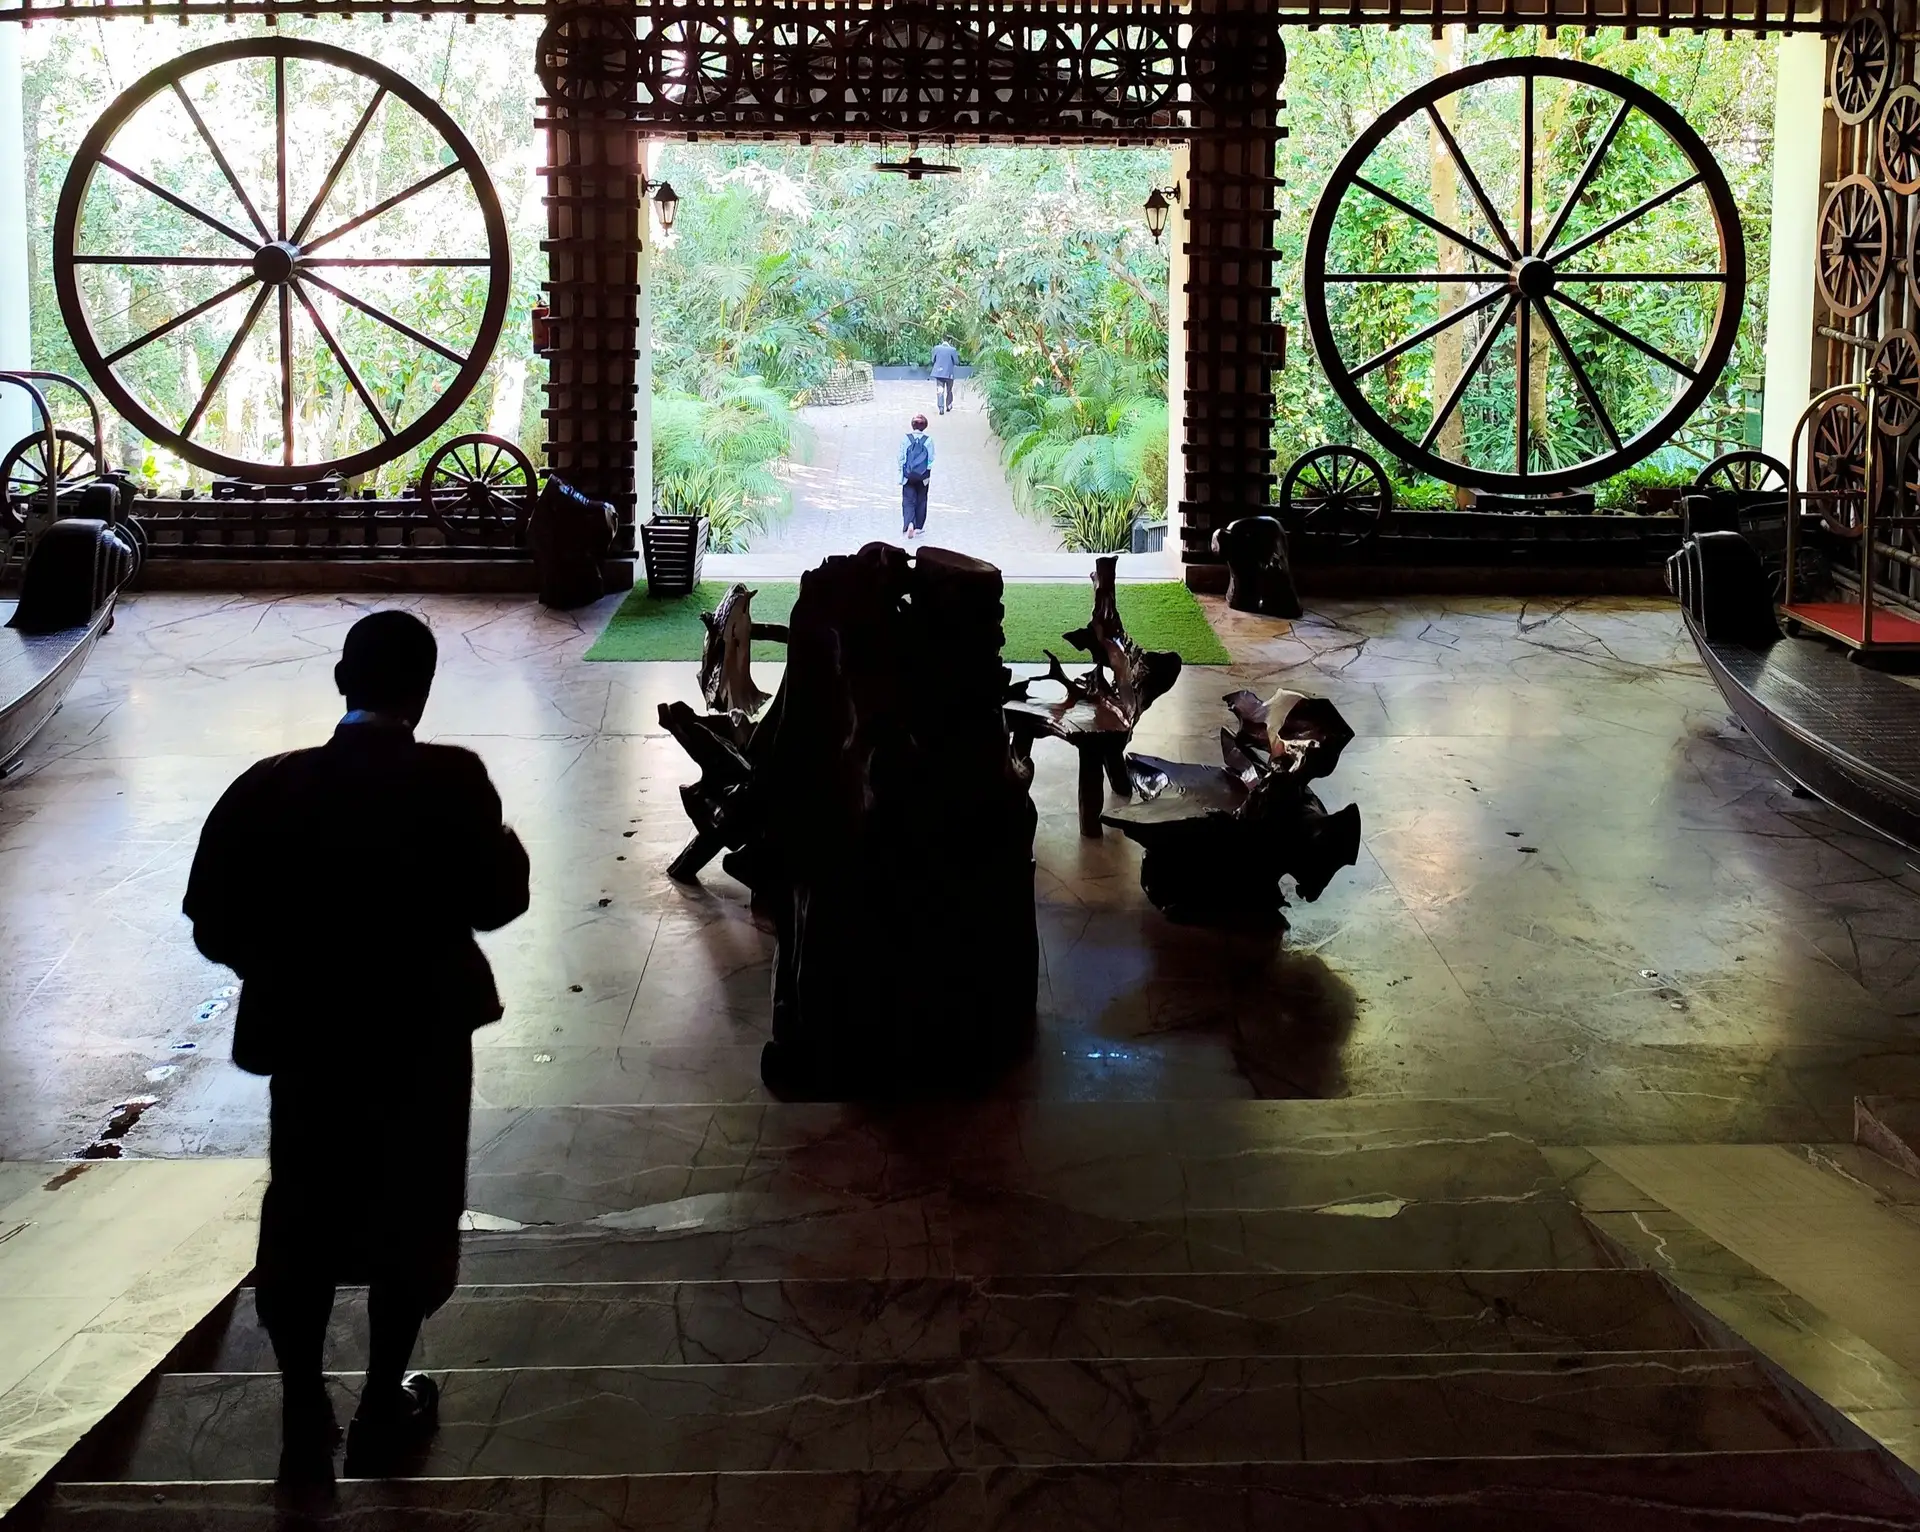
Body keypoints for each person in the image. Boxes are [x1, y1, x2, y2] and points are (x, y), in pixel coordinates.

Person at [183, 610, 530, 1484]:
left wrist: (286, 970)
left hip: (307, 1041)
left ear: (342, 681)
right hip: (422, 1041)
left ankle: (305, 1408)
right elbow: (497, 902)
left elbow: (210, 920)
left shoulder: (267, 787)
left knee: (303, 1207)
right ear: (422, 690)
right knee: (412, 1209)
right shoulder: (453, 782)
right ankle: (382, 1401)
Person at [899, 414, 935, 540]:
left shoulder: (906, 439)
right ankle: (919, 527)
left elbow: (901, 458)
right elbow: (931, 459)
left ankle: (909, 523)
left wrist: (902, 474)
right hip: (923, 476)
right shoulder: (928, 440)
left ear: (912, 425)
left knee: (908, 500)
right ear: (925, 426)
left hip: (908, 475)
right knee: (921, 499)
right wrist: (927, 473)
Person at [930, 337, 960, 416]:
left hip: (939, 374)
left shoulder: (936, 348)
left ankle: (941, 408)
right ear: (950, 341)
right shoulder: (952, 350)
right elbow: (956, 362)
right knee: (949, 390)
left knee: (940, 390)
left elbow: (933, 360)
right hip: (949, 374)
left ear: (942, 340)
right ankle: (949, 405)